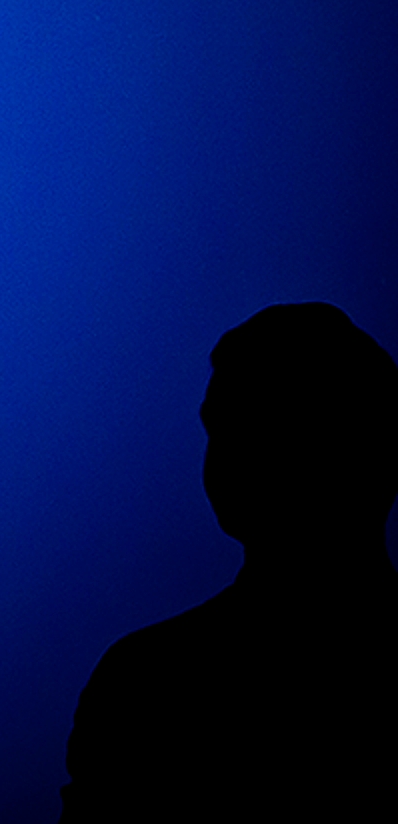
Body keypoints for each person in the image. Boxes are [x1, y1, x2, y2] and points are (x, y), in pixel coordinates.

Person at [60, 302, 398, 819]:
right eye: (221, 429)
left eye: (263, 425)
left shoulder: (147, 684)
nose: (226, 454)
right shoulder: (142, 682)